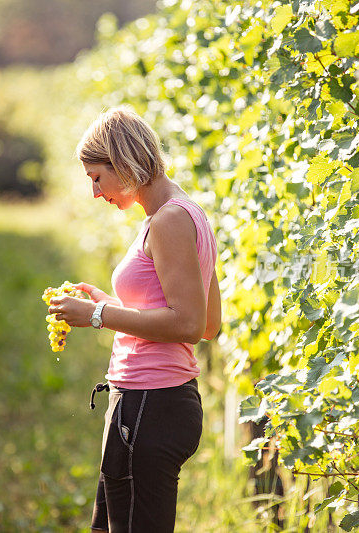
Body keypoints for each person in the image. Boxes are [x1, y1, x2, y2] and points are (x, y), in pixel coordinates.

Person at [47, 106, 221, 532]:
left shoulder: (169, 221)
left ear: (123, 161)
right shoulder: (186, 212)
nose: (95, 192)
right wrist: (109, 302)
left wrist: (101, 315)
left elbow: (188, 326)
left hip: (150, 405)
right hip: (152, 403)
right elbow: (207, 322)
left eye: (96, 177)